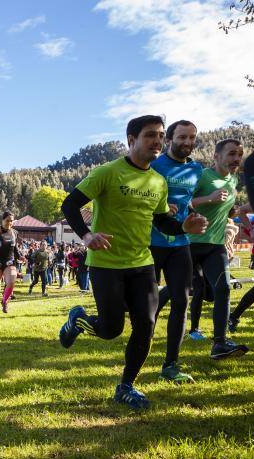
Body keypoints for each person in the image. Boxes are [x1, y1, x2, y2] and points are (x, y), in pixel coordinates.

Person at [59, 115, 207, 410]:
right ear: (131, 140)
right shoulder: (108, 172)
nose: (157, 141)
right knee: (111, 329)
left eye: (161, 135)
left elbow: (162, 220)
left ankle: (126, 386)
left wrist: (184, 228)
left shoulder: (157, 181)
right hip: (106, 263)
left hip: (141, 263)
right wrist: (86, 236)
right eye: (150, 135)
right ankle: (79, 319)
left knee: (146, 324)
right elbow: (70, 204)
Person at [148, 120, 202, 383]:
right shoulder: (154, 165)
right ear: (169, 139)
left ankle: (171, 365)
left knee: (182, 302)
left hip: (180, 244)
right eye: (182, 137)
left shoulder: (196, 169)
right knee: (141, 305)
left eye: (192, 138)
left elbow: (188, 200)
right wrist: (158, 207)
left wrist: (193, 214)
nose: (187, 142)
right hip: (151, 243)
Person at [189, 139, 249, 359]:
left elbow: (225, 209)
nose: (236, 159)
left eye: (239, 154)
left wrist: (232, 213)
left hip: (215, 245)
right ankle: (152, 314)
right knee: (181, 290)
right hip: (190, 242)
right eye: (231, 154)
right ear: (216, 156)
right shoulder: (203, 176)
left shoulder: (233, 180)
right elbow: (184, 201)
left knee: (223, 288)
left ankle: (220, 343)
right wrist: (209, 198)